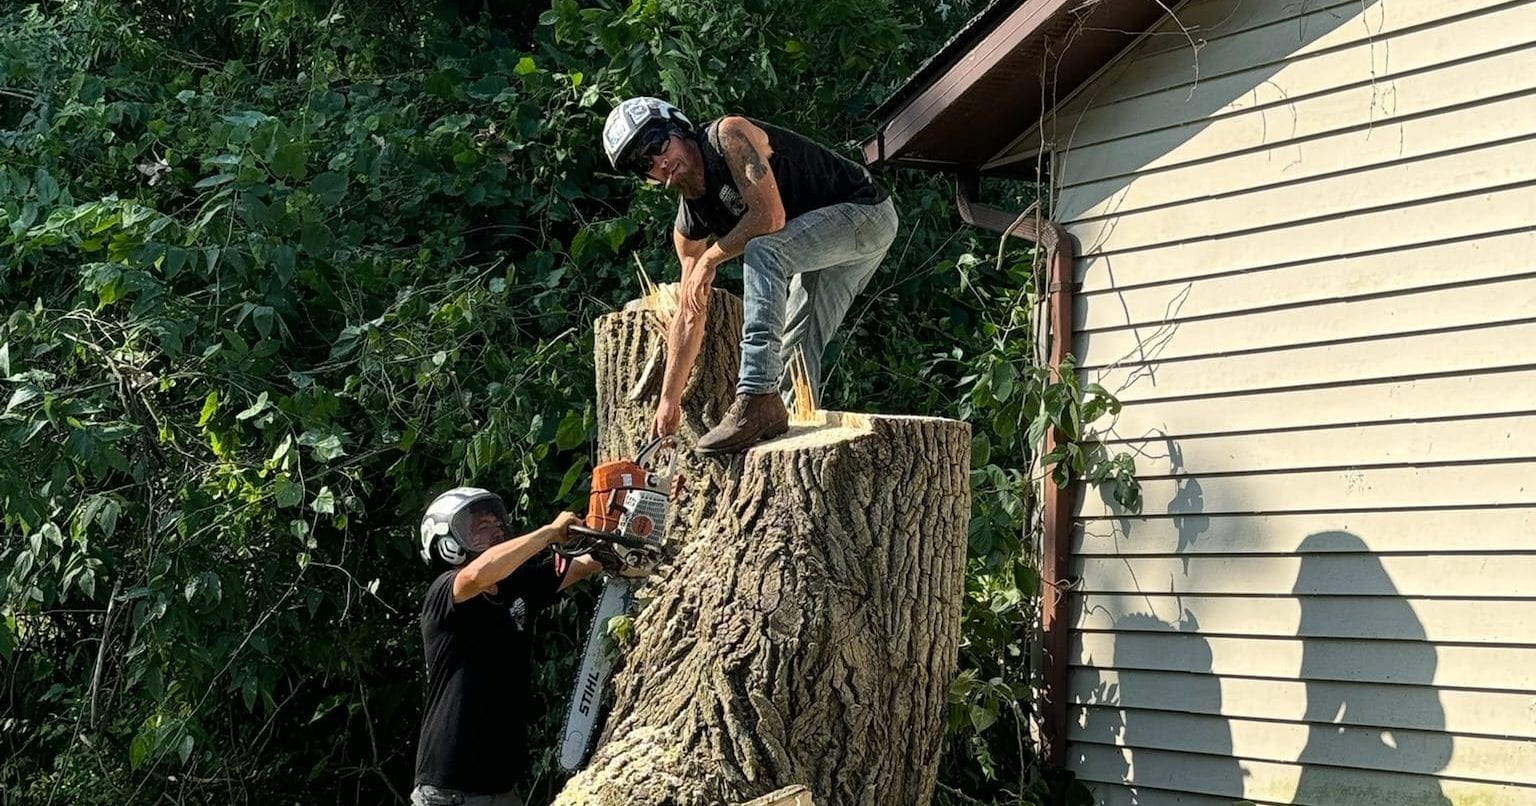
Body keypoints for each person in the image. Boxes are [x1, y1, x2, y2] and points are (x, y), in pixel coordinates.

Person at [602, 97, 899, 454]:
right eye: (645, 163)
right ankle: (793, 446)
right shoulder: (689, 225)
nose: (660, 162)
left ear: (678, 129)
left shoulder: (728, 135)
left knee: (764, 249)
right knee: (797, 351)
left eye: (657, 145)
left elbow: (769, 217)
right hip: (820, 247)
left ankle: (756, 395)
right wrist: (669, 399)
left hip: (864, 215)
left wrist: (711, 259)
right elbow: (688, 312)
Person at [411, 487, 602, 806]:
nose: (496, 527)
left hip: (502, 786)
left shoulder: (518, 586)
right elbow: (475, 576)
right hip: (448, 791)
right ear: (447, 543)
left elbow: (583, 564)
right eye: (481, 525)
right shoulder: (446, 593)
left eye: (496, 521)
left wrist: (630, 526)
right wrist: (546, 534)